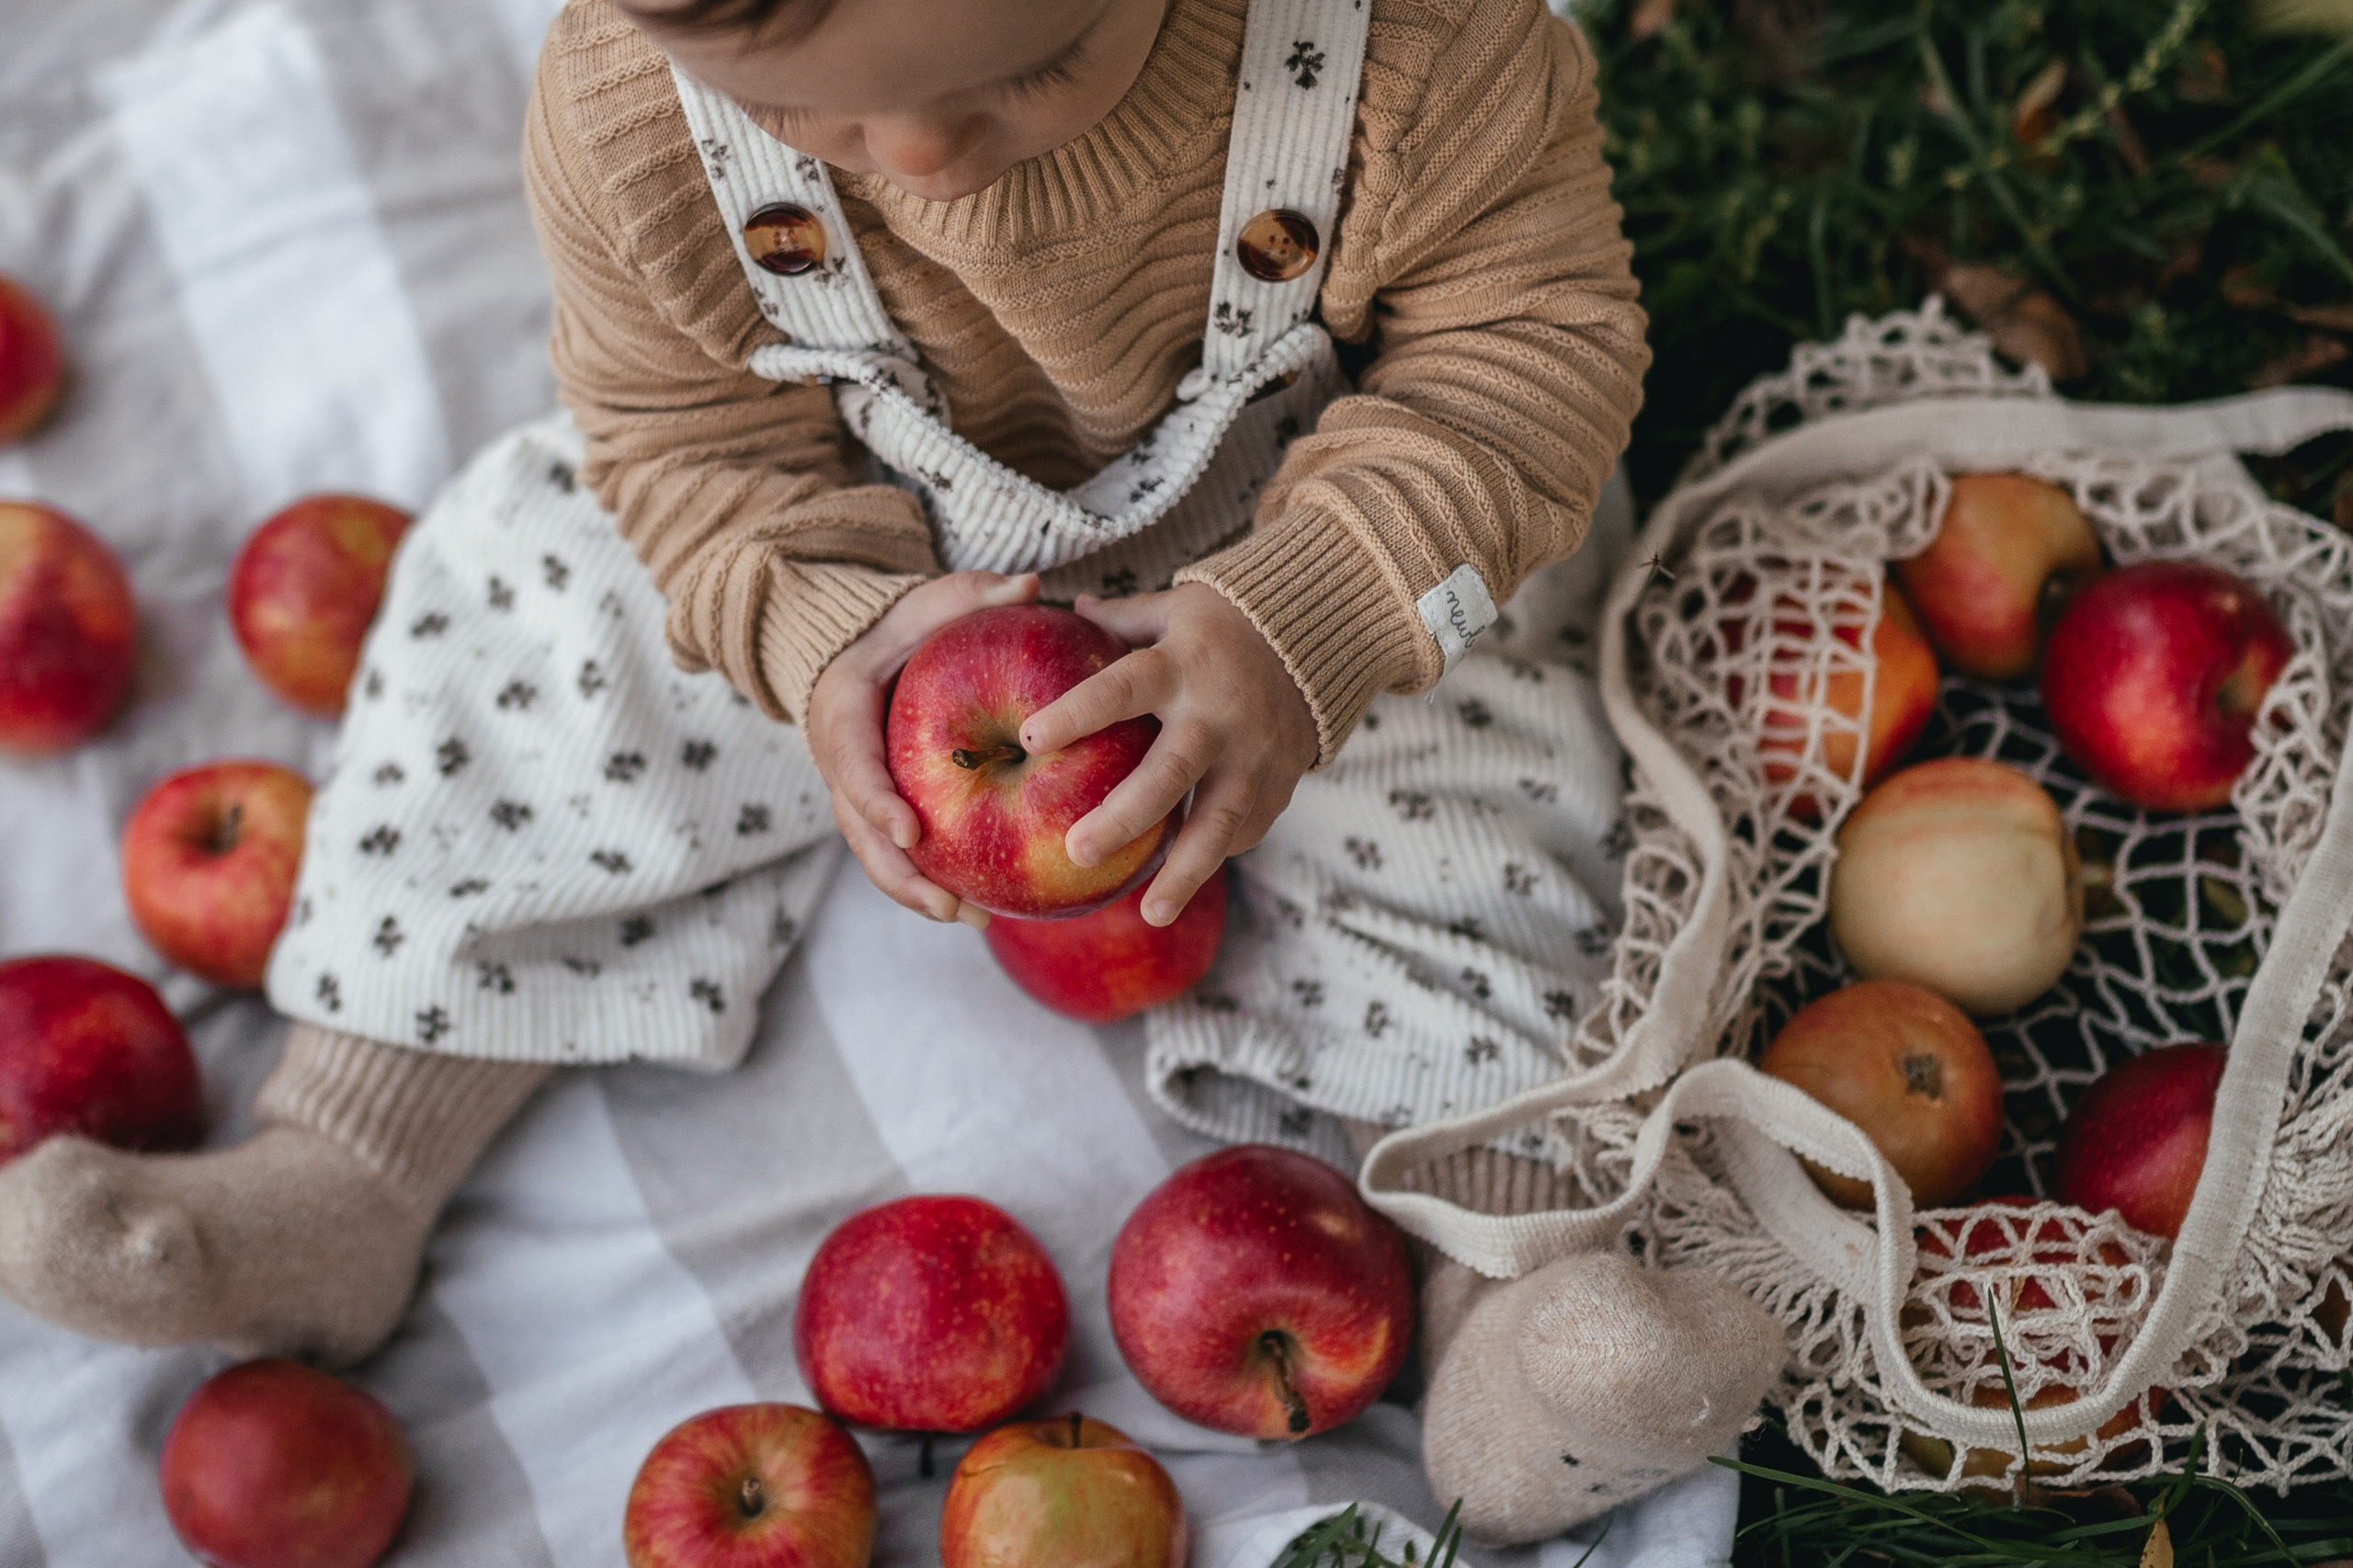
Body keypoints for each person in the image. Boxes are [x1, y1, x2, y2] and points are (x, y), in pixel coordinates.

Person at [0, 0, 1781, 1539]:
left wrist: (1305, 615)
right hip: (878, 555)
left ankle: (1509, 1305)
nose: (919, 157)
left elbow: (1526, 359)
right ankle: (345, 1160)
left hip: (1324, 563)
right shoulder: (631, 110)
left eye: (1038, 64)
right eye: (799, 113)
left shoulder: (1416, 51)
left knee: (1497, 812)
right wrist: (812, 626)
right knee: (523, 596)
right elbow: (684, 446)